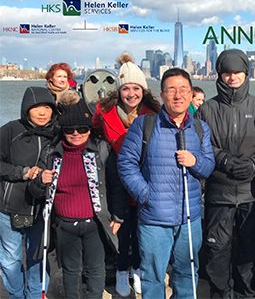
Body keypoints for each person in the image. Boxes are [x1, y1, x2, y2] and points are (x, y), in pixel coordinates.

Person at [118, 68, 215, 298]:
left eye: (183, 90)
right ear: (162, 95)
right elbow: (126, 164)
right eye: (171, 90)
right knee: (152, 277)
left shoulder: (200, 128)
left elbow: (209, 166)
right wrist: (146, 195)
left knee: (188, 274)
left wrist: (195, 161)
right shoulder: (144, 125)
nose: (177, 95)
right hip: (154, 219)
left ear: (191, 95)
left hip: (189, 219)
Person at [196, 48, 255, 298]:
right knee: (216, 251)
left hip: (251, 193)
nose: (232, 78)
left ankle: (246, 295)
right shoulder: (206, 110)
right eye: (226, 73)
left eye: (237, 72)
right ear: (219, 75)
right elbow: (200, 145)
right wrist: (224, 159)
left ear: (246, 74)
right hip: (218, 192)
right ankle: (220, 294)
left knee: (250, 251)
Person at [31, 100, 119, 299]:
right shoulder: (51, 153)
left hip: (95, 223)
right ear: (63, 130)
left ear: (90, 129)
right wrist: (40, 181)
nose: (76, 133)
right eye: (70, 129)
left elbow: (115, 185)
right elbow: (36, 191)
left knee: (96, 270)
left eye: (82, 128)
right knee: (71, 271)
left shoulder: (101, 150)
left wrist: (118, 217)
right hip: (64, 225)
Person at [92, 52, 160, 296]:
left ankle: (139, 270)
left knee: (144, 231)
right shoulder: (103, 114)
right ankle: (122, 271)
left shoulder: (153, 114)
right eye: (126, 88)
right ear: (119, 91)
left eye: (136, 88)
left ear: (143, 90)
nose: (131, 94)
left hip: (145, 182)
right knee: (122, 232)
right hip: (117, 185)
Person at [0, 86, 57, 298]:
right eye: (36, 107)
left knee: (38, 257)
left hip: (43, 209)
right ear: (26, 109)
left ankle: (35, 295)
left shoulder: (58, 134)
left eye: (46, 107)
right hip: (8, 207)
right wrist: (22, 172)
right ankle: (17, 294)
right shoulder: (10, 130)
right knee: (10, 259)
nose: (42, 112)